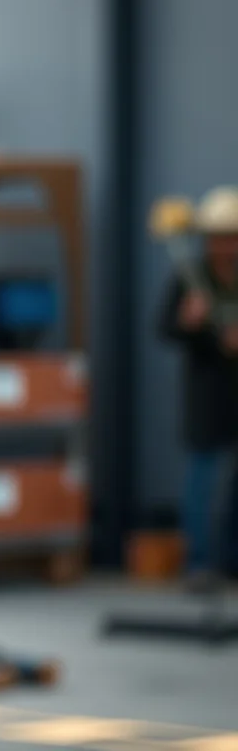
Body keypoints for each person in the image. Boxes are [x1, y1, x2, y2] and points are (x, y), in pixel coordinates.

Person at [159, 185, 238, 590]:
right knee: (204, 483)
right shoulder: (190, 279)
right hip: (208, 397)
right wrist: (192, 325)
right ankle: (200, 563)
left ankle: (230, 562)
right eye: (219, 236)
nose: (226, 244)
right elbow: (165, 329)